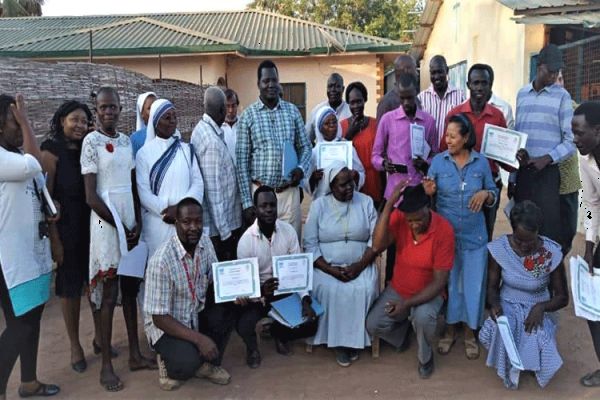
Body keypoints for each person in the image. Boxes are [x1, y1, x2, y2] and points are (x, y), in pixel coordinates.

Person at [81, 87, 155, 392]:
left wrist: (134, 221)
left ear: (121, 108)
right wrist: (119, 226)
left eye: (113, 107)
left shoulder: (125, 141)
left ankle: (135, 354)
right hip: (104, 223)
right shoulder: (90, 142)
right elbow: (90, 195)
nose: (108, 112)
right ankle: (107, 366)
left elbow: (133, 187)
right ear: (96, 110)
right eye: (103, 108)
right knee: (109, 292)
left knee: (129, 286)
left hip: (128, 221)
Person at [423, 114, 498, 359]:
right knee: (453, 286)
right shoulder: (438, 162)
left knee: (474, 287)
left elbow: (495, 191)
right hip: (448, 238)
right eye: (446, 135)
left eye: (453, 136)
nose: (448, 140)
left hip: (476, 238)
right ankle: (449, 332)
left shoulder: (481, 163)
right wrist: (430, 192)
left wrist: (486, 194)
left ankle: (469, 334)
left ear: (466, 138)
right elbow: (429, 198)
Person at [0, 94, 60, 399]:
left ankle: (29, 381)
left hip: (30, 254)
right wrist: (27, 122)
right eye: (14, 122)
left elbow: (37, 183)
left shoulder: (14, 155)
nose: (20, 129)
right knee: (20, 326)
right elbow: (35, 165)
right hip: (9, 260)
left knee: (31, 320)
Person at [366, 183, 454, 379]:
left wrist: (407, 304)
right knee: (373, 324)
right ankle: (403, 335)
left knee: (422, 317)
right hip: (399, 288)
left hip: (429, 293)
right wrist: (389, 205)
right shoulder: (401, 217)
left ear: (428, 207)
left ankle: (425, 358)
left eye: (418, 219)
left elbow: (439, 282)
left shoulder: (444, 230)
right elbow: (377, 245)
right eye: (410, 220)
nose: (414, 224)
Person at [40, 100, 103, 373]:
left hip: (93, 225)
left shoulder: (90, 148)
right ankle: (75, 345)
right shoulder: (50, 151)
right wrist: (54, 238)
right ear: (62, 120)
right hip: (66, 229)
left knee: (96, 283)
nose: (78, 125)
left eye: (83, 120)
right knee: (70, 289)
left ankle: (100, 337)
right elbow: (45, 198)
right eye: (73, 119)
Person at [479, 200, 568, 389]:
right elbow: (492, 288)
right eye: (518, 240)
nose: (523, 246)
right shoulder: (500, 249)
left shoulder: (551, 253)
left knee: (535, 331)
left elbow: (562, 297)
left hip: (539, 304)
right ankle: (511, 366)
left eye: (529, 241)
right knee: (507, 327)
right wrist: (495, 305)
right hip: (507, 302)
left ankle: (532, 364)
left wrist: (541, 307)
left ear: (538, 231)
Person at [144, 197, 231, 391]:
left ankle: (205, 363)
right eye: (186, 222)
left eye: (198, 221)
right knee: (186, 365)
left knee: (227, 310)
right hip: (167, 326)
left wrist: (235, 292)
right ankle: (167, 361)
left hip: (194, 313)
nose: (193, 227)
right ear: (176, 224)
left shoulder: (205, 243)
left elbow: (216, 281)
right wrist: (200, 339)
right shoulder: (161, 261)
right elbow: (159, 318)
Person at [233, 186, 318, 368]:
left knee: (311, 322)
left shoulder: (288, 232)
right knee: (243, 324)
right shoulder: (246, 241)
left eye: (272, 205)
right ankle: (252, 348)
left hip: (285, 290)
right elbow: (244, 286)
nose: (269, 209)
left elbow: (299, 272)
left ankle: (279, 334)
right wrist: (261, 292)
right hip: (259, 296)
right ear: (255, 210)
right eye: (263, 206)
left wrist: (304, 299)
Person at [304, 163, 378, 367]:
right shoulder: (319, 205)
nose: (349, 188)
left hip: (361, 264)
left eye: (351, 183)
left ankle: (354, 340)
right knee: (330, 289)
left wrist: (360, 265)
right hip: (326, 267)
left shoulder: (366, 202)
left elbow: (375, 239)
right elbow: (310, 243)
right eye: (343, 185)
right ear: (331, 186)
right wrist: (330, 269)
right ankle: (340, 343)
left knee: (364, 287)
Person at [236, 60, 312, 239]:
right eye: (266, 81)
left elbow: (305, 147)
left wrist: (301, 169)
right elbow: (242, 163)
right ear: (258, 84)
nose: (271, 85)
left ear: (279, 82)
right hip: (261, 196)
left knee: (289, 247)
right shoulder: (248, 116)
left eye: (274, 80)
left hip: (287, 195)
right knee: (263, 250)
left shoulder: (292, 111)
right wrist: (248, 203)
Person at [372, 73, 438, 281]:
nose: (407, 103)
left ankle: (417, 289)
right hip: (395, 194)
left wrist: (425, 164)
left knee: (419, 245)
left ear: (417, 94)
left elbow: (436, 154)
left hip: (419, 194)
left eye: (410, 97)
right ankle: (391, 290)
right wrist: (384, 165)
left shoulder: (428, 122)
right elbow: (375, 155)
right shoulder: (388, 120)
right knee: (393, 247)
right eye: (402, 98)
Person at [511, 44, 575, 245]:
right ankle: (524, 273)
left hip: (548, 175)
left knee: (547, 230)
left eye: (558, 70)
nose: (555, 74)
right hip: (524, 173)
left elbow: (571, 140)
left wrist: (547, 159)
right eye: (551, 69)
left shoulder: (562, 97)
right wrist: (513, 177)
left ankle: (546, 274)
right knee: (522, 226)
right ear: (540, 67)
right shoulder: (522, 94)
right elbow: (517, 136)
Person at [442, 64, 507, 240]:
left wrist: (512, 158)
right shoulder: (455, 115)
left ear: (490, 85)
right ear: (468, 84)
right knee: (455, 233)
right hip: (459, 182)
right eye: (475, 82)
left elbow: (504, 158)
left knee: (485, 233)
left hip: (488, 184)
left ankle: (481, 266)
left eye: (484, 83)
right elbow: (445, 149)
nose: (479, 87)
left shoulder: (497, 116)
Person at [136, 98, 204, 258]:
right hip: (159, 223)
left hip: (186, 223)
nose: (172, 121)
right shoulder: (143, 154)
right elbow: (143, 193)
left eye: (174, 116)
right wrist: (166, 211)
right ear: (155, 122)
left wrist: (181, 211)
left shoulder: (187, 150)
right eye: (167, 118)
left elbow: (198, 183)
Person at [191, 87, 242, 261]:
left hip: (220, 226)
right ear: (221, 110)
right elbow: (214, 193)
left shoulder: (204, 129)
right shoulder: (211, 142)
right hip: (219, 231)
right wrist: (226, 234)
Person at [572, 101, 600, 386]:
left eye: (580, 133)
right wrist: (589, 245)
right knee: (594, 308)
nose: (575, 139)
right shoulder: (585, 158)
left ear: (598, 130)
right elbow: (591, 203)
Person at [306, 106, 365, 200]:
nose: (332, 125)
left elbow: (361, 173)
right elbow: (306, 182)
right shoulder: (314, 153)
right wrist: (313, 178)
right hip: (323, 202)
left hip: (346, 200)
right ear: (320, 128)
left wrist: (356, 175)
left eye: (334, 122)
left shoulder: (347, 148)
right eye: (327, 123)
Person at [340, 81, 384, 207]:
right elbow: (339, 155)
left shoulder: (375, 124)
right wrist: (349, 134)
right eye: (352, 102)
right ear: (348, 103)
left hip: (374, 182)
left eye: (359, 101)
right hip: (352, 183)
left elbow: (381, 155)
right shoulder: (342, 127)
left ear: (365, 100)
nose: (356, 106)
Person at [555, 70, 581, 257]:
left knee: (569, 229)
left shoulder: (574, 108)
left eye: (561, 78)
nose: (559, 83)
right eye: (555, 79)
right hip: (547, 181)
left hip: (569, 182)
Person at [417, 55, 465, 145]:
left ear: (447, 70)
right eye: (433, 73)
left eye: (440, 72)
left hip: (451, 152)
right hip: (428, 155)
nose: (436, 76)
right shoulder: (421, 98)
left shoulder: (459, 96)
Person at [305, 73, 352, 144]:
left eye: (337, 86)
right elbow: (306, 139)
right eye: (330, 86)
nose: (333, 90)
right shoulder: (317, 111)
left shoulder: (351, 111)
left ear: (343, 89)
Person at [376, 54, 419, 122]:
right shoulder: (387, 103)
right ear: (406, 71)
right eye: (415, 69)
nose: (417, 73)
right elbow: (381, 131)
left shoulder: (416, 100)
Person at [130, 92, 157, 157]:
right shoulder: (135, 139)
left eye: (155, 105)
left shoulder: (169, 132)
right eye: (149, 108)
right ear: (142, 113)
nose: (154, 110)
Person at [222, 88, 239, 161]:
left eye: (233, 106)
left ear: (237, 105)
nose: (230, 110)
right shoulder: (218, 128)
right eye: (227, 106)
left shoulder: (244, 125)